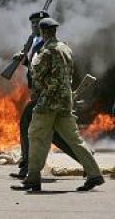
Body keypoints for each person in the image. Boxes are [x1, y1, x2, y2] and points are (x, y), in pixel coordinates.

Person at [11, 18, 105, 192]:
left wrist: (26, 61)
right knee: (74, 139)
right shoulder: (66, 48)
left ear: (44, 32)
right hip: (65, 101)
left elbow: (36, 75)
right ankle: (94, 174)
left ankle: (32, 179)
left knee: (36, 136)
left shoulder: (46, 52)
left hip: (48, 101)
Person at [10, 11, 79, 180]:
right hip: (40, 94)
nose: (34, 26)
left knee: (27, 124)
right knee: (57, 135)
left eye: (38, 23)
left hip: (46, 94)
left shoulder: (50, 45)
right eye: (32, 23)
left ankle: (27, 168)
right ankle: (88, 164)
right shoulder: (36, 43)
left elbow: (47, 70)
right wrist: (24, 60)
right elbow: (36, 67)